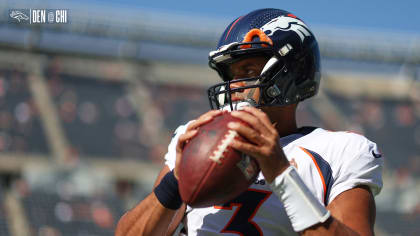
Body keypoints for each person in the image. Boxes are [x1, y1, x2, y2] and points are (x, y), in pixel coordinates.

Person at [116, 8, 383, 236]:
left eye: (249, 71)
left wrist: (281, 173)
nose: (236, 85)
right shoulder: (198, 136)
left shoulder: (341, 150)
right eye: (231, 75)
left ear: (290, 73)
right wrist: (177, 179)